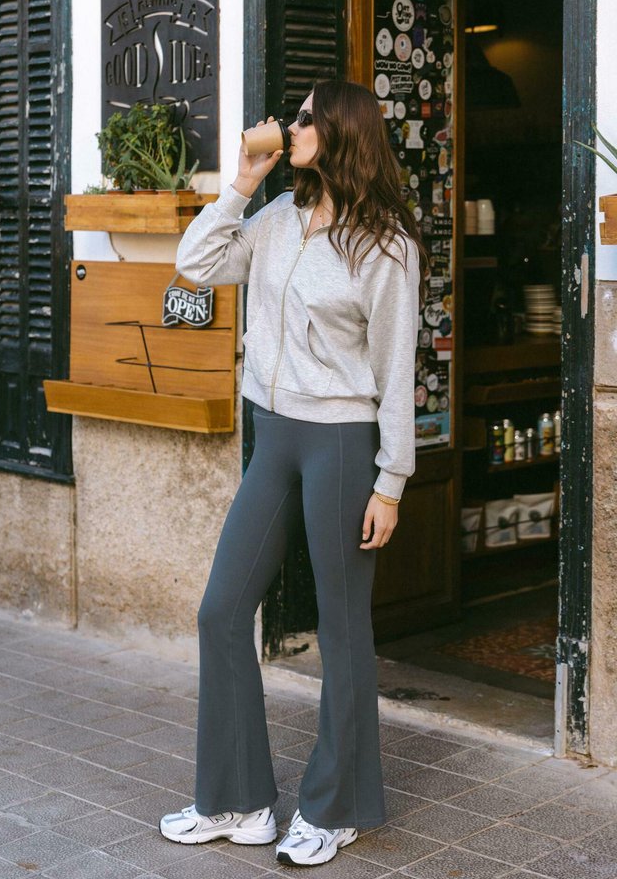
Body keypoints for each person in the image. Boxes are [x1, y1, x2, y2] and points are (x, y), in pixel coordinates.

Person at [159, 79, 426, 868]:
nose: (292, 124)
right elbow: (197, 264)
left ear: (341, 133)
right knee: (221, 609)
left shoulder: (386, 246)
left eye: (306, 118)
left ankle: (335, 807)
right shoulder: (276, 219)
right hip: (273, 436)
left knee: (343, 630)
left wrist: (392, 481)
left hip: (343, 443)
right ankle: (238, 802)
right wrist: (243, 177)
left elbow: (397, 366)